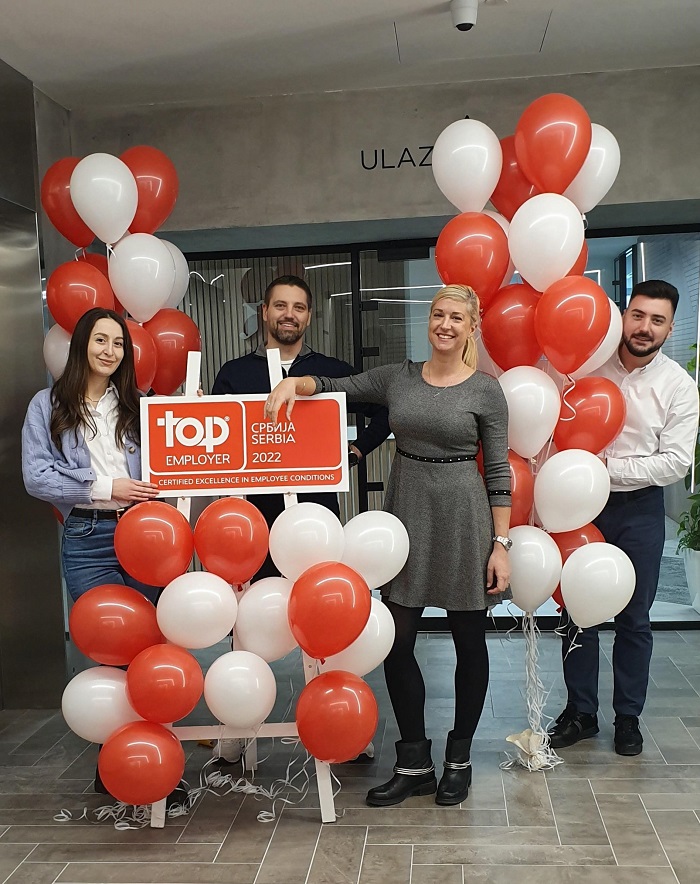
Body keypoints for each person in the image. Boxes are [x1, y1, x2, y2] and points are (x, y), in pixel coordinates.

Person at [265, 284, 512, 807]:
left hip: (463, 518)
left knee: (469, 643)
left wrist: (501, 544)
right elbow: (336, 384)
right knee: (398, 643)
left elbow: (497, 471)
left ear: (472, 327)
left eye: (457, 318)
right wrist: (293, 384)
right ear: (429, 320)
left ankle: (459, 760)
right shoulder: (399, 376)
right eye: (438, 314)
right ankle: (414, 762)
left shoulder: (486, 391)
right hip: (406, 513)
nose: (445, 325)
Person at [549, 279, 700, 757]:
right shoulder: (587, 366)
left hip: (639, 509)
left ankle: (628, 717)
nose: (644, 327)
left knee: (634, 618)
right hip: (579, 505)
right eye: (638, 315)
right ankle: (581, 712)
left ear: (669, 328)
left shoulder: (678, 385)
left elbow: (675, 462)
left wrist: (605, 470)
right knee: (577, 609)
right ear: (623, 315)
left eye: (657, 320)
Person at [212, 274, 390, 579]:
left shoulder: (332, 372)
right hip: (254, 520)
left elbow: (385, 411)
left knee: (317, 591)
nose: (289, 314)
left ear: (308, 316)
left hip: (317, 516)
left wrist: (355, 452)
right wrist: (200, 410)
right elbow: (218, 439)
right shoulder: (234, 373)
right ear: (265, 311)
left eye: (298, 308)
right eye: (280, 305)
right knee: (262, 598)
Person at [22, 307, 161, 603]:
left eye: (118, 343)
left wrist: (195, 410)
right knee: (108, 625)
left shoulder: (139, 404)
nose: (109, 351)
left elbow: (179, 446)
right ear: (81, 344)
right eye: (100, 340)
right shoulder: (46, 405)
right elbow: (36, 477)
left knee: (148, 622)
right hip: (87, 537)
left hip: (146, 530)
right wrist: (107, 487)